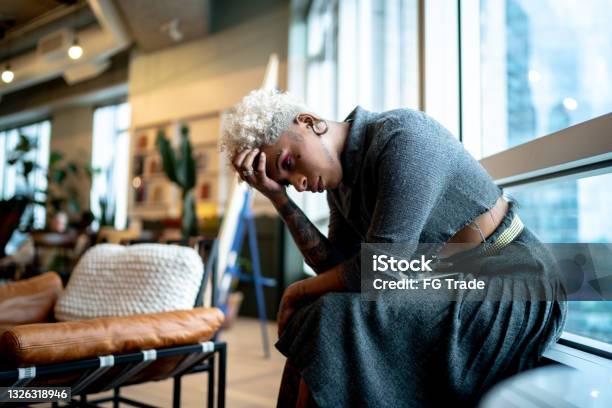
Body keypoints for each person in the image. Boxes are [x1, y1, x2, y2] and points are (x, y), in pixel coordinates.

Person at [221, 89, 566, 407]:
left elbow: (380, 268)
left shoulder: (403, 135)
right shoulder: (339, 186)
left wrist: (295, 292)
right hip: (449, 282)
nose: (298, 182)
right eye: (286, 183)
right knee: (321, 312)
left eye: (287, 163)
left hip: (513, 281)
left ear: (309, 123)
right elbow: (337, 270)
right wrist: (277, 198)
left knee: (328, 317)